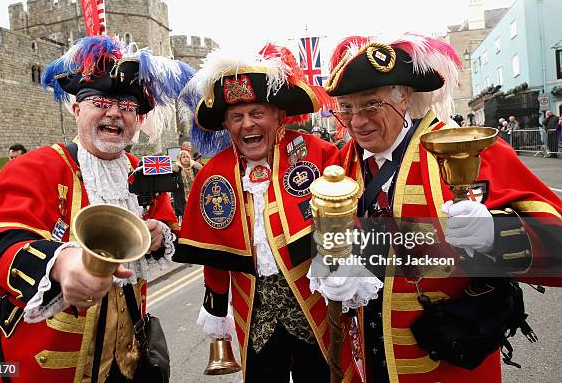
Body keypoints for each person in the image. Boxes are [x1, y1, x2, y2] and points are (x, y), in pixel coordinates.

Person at [323, 33, 562, 382]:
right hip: (368, 364)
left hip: (446, 364)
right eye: (346, 108)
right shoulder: (341, 164)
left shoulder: (462, 151)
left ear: (403, 96)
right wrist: (331, 267)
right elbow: (332, 240)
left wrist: (496, 235)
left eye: (370, 105)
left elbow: (558, 246)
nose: (356, 122)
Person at [0, 36, 193, 382]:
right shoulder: (36, 166)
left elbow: (169, 224)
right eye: (101, 101)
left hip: (129, 355)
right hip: (46, 362)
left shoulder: (145, 169)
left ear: (136, 120)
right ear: (77, 110)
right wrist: (60, 263)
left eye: (128, 107)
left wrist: (158, 235)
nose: (115, 112)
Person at [174, 44, 381, 382]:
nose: (247, 124)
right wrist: (215, 307)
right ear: (226, 124)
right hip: (255, 315)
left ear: (278, 116)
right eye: (237, 117)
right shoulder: (215, 173)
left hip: (315, 308)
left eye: (257, 113)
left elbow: (353, 218)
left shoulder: (318, 154)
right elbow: (215, 250)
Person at [171, 150, 201, 219]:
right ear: (180, 159)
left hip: (195, 197)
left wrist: (198, 167)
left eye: (187, 157)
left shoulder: (195, 168)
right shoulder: (176, 171)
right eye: (183, 157)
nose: (186, 159)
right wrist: (174, 170)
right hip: (181, 200)